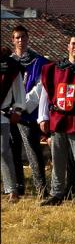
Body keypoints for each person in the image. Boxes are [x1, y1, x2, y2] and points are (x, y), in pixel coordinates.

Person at [37, 33, 75, 206]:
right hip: (58, 119)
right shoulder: (55, 68)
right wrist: (43, 117)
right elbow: (46, 93)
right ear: (68, 46)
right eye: (73, 43)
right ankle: (56, 194)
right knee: (58, 161)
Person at [9, 25, 50, 198]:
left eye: (23, 37)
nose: (20, 40)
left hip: (27, 113)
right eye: (17, 37)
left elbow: (40, 88)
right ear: (13, 40)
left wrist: (20, 107)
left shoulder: (38, 61)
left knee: (33, 151)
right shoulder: (7, 62)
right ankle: (17, 187)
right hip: (9, 113)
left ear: (28, 38)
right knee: (12, 151)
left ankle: (41, 189)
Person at [1, 45, 26, 202]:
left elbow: (19, 89)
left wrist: (18, 109)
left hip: (2, 115)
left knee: (3, 151)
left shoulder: (11, 66)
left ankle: (12, 190)